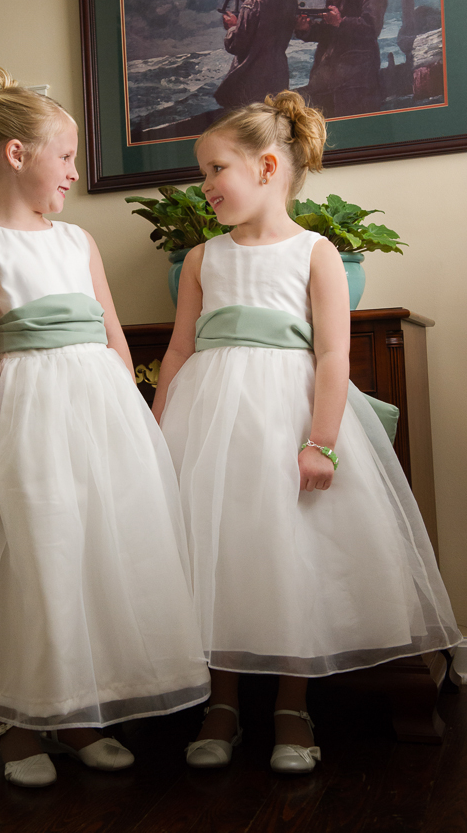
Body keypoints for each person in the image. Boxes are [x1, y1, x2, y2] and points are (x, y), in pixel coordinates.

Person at [0, 67, 210, 788]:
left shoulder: (76, 242)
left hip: (95, 414)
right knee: (32, 559)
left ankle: (77, 712)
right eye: (63, 157)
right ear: (16, 155)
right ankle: (17, 720)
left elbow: (111, 333)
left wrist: (129, 411)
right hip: (23, 419)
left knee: (89, 554)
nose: (71, 172)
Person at [152, 90, 461, 774]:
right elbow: (178, 350)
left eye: (213, 171)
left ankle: (293, 703)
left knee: (289, 554)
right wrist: (158, 426)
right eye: (202, 174)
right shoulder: (204, 259)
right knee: (218, 552)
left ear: (265, 167)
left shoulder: (315, 253)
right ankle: (221, 703)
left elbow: (331, 356)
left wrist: (319, 439)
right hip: (209, 424)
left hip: (286, 417)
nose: (203, 187)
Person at [295, 0, 387, 117]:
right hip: (331, 79)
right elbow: (328, 33)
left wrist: (340, 22)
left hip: (358, 79)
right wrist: (307, 30)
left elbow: (372, 28)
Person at [214, 0, 298, 110]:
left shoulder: (252, 4)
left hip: (252, 81)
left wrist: (232, 26)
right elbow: (268, 9)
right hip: (279, 76)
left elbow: (237, 46)